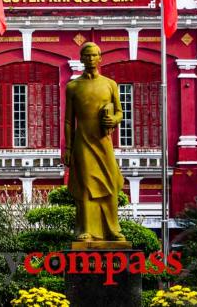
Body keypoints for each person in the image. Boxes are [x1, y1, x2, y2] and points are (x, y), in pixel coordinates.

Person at [64, 42, 125, 242]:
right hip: (82, 142)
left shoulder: (110, 84)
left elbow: (119, 112)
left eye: (94, 55)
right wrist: (68, 148)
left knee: (110, 183)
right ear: (81, 59)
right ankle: (86, 230)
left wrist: (114, 119)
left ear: (100, 58)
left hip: (103, 141)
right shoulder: (73, 87)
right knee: (87, 186)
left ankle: (112, 229)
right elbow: (67, 120)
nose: (90, 59)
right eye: (87, 56)